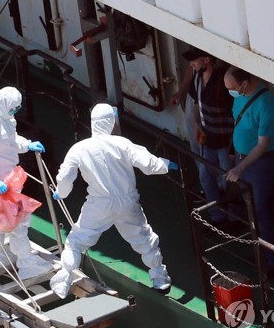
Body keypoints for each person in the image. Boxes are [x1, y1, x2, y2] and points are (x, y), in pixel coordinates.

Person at [50, 103, 179, 298]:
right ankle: (160, 280)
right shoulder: (123, 143)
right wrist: (167, 164)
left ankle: (64, 279)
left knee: (76, 242)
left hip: (99, 204)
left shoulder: (79, 148)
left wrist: (61, 192)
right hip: (128, 202)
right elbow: (148, 163)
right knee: (144, 238)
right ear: (111, 122)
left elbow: (65, 177)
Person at [0, 86, 53, 280]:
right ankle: (26, 263)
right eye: (12, 108)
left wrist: (26, 144)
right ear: (3, 103)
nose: (14, 112)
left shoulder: (5, 118)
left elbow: (11, 140)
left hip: (9, 178)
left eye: (17, 108)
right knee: (17, 221)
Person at [223, 66, 274, 273]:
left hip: (259, 164)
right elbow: (238, 125)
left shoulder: (266, 104)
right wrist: (235, 154)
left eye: (231, 88)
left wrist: (239, 168)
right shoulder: (239, 95)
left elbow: (262, 145)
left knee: (260, 210)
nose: (229, 92)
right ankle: (261, 251)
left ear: (244, 84)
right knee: (251, 208)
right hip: (243, 160)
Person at [182, 46, 234, 225]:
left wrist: (233, 145)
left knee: (231, 182)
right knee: (205, 177)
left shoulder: (223, 82)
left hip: (225, 141)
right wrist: (197, 123)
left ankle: (236, 218)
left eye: (194, 60)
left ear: (206, 60)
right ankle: (218, 217)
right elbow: (197, 103)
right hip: (208, 140)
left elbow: (233, 113)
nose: (191, 64)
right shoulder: (197, 78)